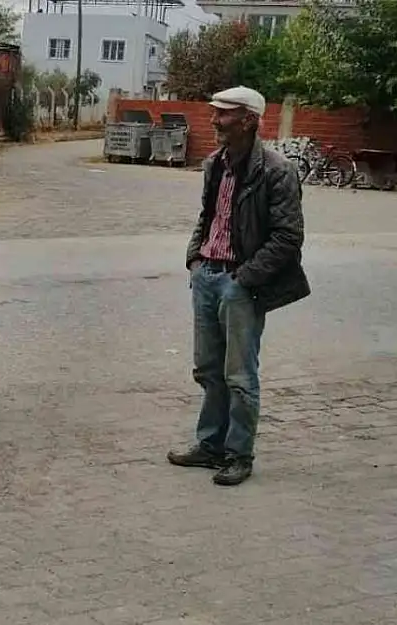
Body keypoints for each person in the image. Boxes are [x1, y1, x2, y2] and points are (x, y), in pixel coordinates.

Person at [167, 86, 310, 486]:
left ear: (248, 119)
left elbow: (287, 237)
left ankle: (239, 454)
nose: (214, 120)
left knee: (239, 375)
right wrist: (195, 259)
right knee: (208, 369)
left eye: (223, 114)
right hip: (207, 275)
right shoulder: (215, 164)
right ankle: (210, 445)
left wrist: (242, 280)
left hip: (241, 282)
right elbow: (207, 217)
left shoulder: (277, 171)